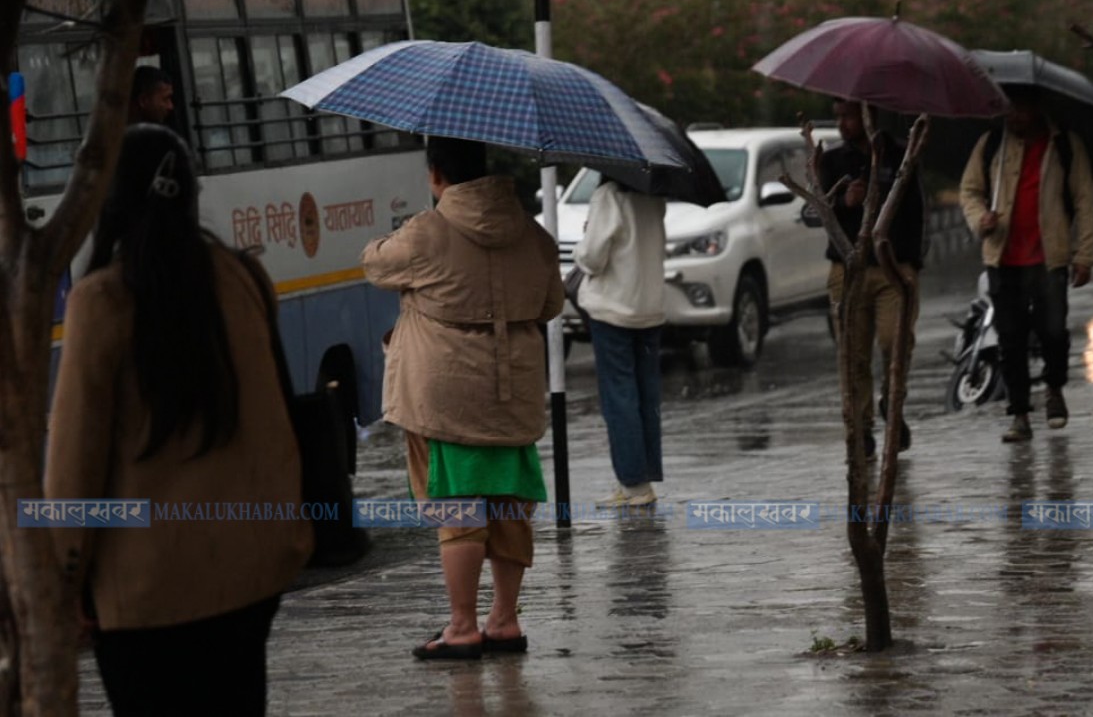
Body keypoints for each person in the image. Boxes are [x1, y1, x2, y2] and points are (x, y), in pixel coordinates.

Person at [44, 124, 313, 716]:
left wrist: (64, 584)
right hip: (250, 575)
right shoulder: (243, 277)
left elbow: (74, 465)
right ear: (190, 194)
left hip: (144, 594)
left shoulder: (101, 301)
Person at [361, 136, 563, 660]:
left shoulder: (426, 233)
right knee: (510, 504)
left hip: (444, 393)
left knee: (458, 506)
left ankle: (461, 626)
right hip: (512, 391)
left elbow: (374, 265)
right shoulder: (533, 234)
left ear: (436, 175)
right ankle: (504, 621)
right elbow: (552, 302)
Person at [959, 86, 1093, 443]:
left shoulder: (1065, 145)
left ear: (1037, 108)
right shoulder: (991, 144)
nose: (1014, 117)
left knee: (1053, 330)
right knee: (1011, 340)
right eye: (1008, 109)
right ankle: (1019, 414)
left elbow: (1084, 200)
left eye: (1021, 109)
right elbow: (969, 191)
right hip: (1002, 258)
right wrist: (980, 220)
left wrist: (1084, 255)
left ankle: (1054, 388)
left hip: (1049, 258)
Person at [807, 99, 925, 459]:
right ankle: (861, 432)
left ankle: (893, 405)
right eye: (838, 115)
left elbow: (919, 210)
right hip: (849, 272)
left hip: (892, 268)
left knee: (895, 343)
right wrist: (842, 200)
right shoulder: (831, 161)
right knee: (853, 354)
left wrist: (911, 264)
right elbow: (812, 212)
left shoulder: (899, 155)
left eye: (849, 115)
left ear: (869, 115)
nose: (842, 122)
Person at [573, 175, 667, 508]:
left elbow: (592, 258)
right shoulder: (653, 197)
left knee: (619, 397)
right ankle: (643, 479)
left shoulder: (608, 196)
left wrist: (584, 240)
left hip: (613, 310)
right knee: (645, 395)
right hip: (649, 309)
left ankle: (633, 484)